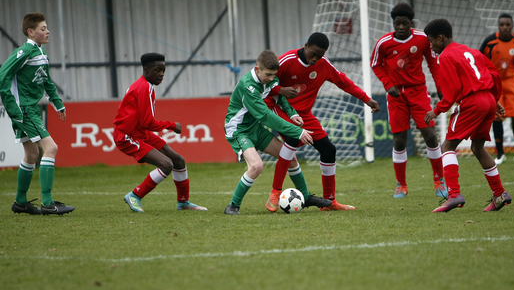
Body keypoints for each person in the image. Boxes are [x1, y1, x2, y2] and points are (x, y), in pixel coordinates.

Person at [264, 32, 380, 212]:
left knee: (329, 150)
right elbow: (265, 83)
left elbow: (344, 82)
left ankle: (329, 202)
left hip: (303, 114)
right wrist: (280, 90)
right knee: (293, 138)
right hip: (279, 108)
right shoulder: (286, 61)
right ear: (306, 46)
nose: (315, 59)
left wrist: (367, 99)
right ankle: (275, 192)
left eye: (320, 56)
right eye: (313, 54)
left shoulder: (323, 64)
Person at [223, 49, 332, 215]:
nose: (271, 78)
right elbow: (266, 116)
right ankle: (233, 206)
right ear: (257, 69)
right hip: (239, 130)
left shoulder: (271, 79)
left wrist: (292, 113)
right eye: (268, 74)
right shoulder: (248, 86)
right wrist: (298, 131)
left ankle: (306, 196)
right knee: (256, 166)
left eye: (274, 74)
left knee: (291, 158)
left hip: (255, 128)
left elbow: (279, 98)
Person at [423, 18, 512, 213]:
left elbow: (453, 90)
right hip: (487, 100)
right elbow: (493, 73)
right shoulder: (470, 51)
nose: (431, 46)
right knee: (478, 147)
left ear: (440, 37)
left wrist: (436, 110)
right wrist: (494, 99)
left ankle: (454, 195)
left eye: (431, 41)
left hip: (472, 102)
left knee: (447, 146)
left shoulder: (445, 56)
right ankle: (500, 194)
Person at [370, 2, 447, 199]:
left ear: (411, 23)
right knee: (399, 140)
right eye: (397, 23)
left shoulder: (422, 39)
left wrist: (440, 87)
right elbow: (376, 64)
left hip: (418, 92)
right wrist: (388, 84)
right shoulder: (384, 43)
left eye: (405, 23)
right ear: (393, 23)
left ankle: (439, 181)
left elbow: (433, 63)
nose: (401, 27)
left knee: (430, 135)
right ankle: (401, 185)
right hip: (396, 96)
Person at [0, 12, 74, 215]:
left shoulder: (41, 52)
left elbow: (46, 81)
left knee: (32, 154)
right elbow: (2, 77)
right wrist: (13, 109)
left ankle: (20, 202)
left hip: (31, 109)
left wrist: (57, 103)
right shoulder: (23, 52)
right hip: (24, 110)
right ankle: (48, 203)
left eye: (47, 27)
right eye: (43, 28)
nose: (48, 31)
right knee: (51, 148)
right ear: (31, 32)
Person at [115, 53, 207, 213]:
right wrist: (172, 125)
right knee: (166, 164)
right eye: (158, 70)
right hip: (127, 136)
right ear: (146, 70)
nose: (162, 74)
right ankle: (135, 195)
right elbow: (147, 122)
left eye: (163, 70)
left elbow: (143, 123)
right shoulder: (144, 87)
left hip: (140, 132)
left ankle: (183, 203)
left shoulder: (144, 85)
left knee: (178, 160)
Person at [479, 13, 514, 164]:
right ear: (498, 26)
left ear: (512, 25)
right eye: (502, 25)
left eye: (507, 24)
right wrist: (482, 82)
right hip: (494, 83)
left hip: (511, 82)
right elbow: (480, 61)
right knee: (496, 116)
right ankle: (500, 154)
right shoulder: (489, 42)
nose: (505, 27)